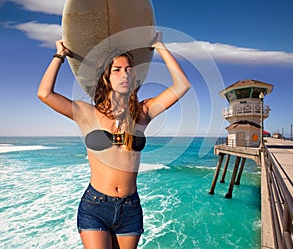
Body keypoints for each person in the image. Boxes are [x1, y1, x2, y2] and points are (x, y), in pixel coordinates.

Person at [37, 31, 190, 249]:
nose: (124, 74)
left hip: (130, 208)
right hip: (95, 205)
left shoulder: (142, 112)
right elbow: (44, 94)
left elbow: (182, 86)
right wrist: (59, 55)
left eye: (128, 70)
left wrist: (159, 46)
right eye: (117, 70)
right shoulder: (86, 113)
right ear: (105, 78)